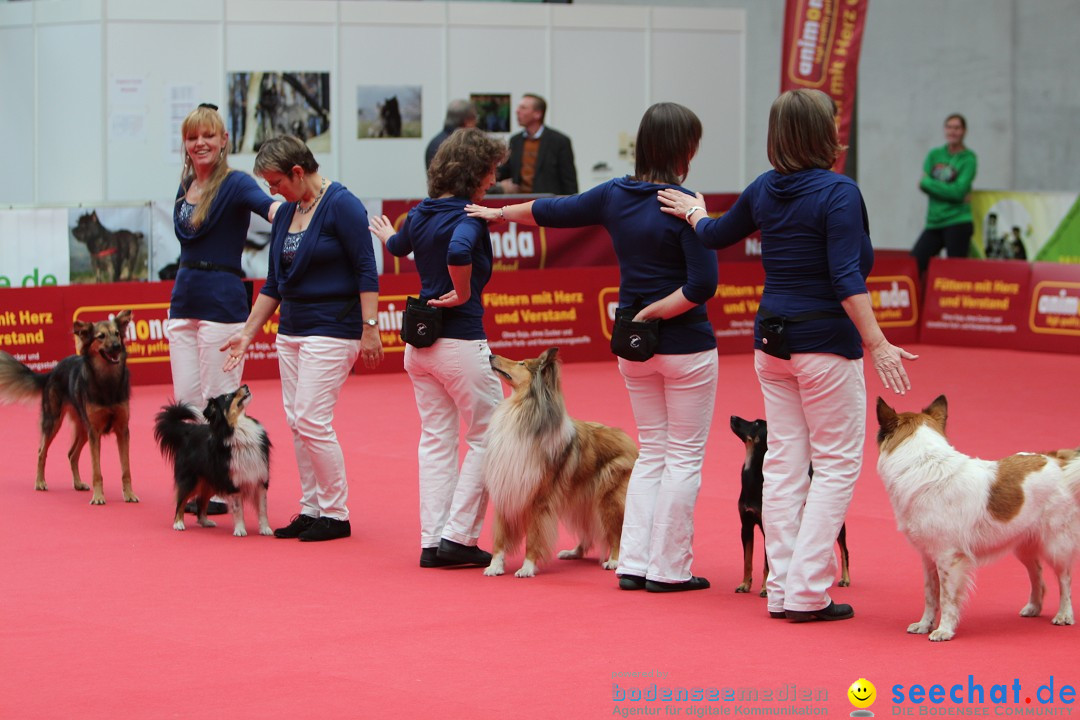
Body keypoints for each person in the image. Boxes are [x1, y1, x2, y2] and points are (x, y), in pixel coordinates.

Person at [659, 88, 917, 621]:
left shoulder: (764, 188)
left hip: (772, 345)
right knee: (836, 467)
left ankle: (781, 589)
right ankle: (805, 592)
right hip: (823, 346)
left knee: (782, 464)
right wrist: (879, 343)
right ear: (826, 134)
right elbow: (847, 276)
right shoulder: (840, 193)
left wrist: (694, 212)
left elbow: (713, 235)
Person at [468, 102, 718, 593]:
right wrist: (659, 309)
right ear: (685, 149)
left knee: (652, 456)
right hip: (684, 346)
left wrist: (496, 213)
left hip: (633, 348)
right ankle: (670, 569)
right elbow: (702, 285)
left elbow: (548, 210)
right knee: (683, 458)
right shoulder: (685, 203)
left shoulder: (614, 195)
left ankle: (634, 564)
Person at [221, 135, 383, 542]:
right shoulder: (286, 213)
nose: (271, 192)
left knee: (312, 418)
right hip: (291, 329)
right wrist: (247, 333)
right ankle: (312, 508)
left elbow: (367, 267)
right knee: (297, 423)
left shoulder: (342, 204)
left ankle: (336, 512)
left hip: (333, 328)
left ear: (298, 171)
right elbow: (274, 283)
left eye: (275, 182)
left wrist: (370, 327)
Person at [369, 128, 508, 568]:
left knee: (436, 440)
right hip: (461, 343)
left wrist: (387, 233)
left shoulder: (419, 213)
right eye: (489, 172)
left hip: (420, 346)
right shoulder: (470, 216)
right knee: (490, 437)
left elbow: (396, 247)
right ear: (473, 171)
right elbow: (462, 249)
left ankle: (433, 541)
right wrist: (462, 290)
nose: (492, 181)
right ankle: (458, 537)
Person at [167, 102, 280, 515]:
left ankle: (222, 487)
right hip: (183, 301)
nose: (200, 143)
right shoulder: (184, 186)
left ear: (224, 141)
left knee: (220, 400)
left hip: (222, 303)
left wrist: (302, 212)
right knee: (187, 400)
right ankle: (200, 483)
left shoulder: (235, 183)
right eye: (193, 137)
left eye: (208, 136)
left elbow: (272, 209)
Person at [911, 113, 977, 283]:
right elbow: (921, 183)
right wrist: (946, 189)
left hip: (958, 221)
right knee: (915, 262)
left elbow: (958, 192)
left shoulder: (969, 159)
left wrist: (931, 185)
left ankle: (954, 308)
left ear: (964, 131)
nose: (952, 131)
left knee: (955, 273)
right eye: (949, 127)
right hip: (934, 221)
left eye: (957, 128)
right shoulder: (935, 154)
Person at [492, 93, 577, 196]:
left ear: (538, 114)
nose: (517, 111)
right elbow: (506, 171)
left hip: (548, 205)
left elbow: (568, 181)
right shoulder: (515, 140)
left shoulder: (559, 141)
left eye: (523, 108)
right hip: (519, 204)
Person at [424, 99, 477, 170]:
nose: (475, 124)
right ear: (467, 121)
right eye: (474, 119)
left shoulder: (435, 142)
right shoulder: (459, 145)